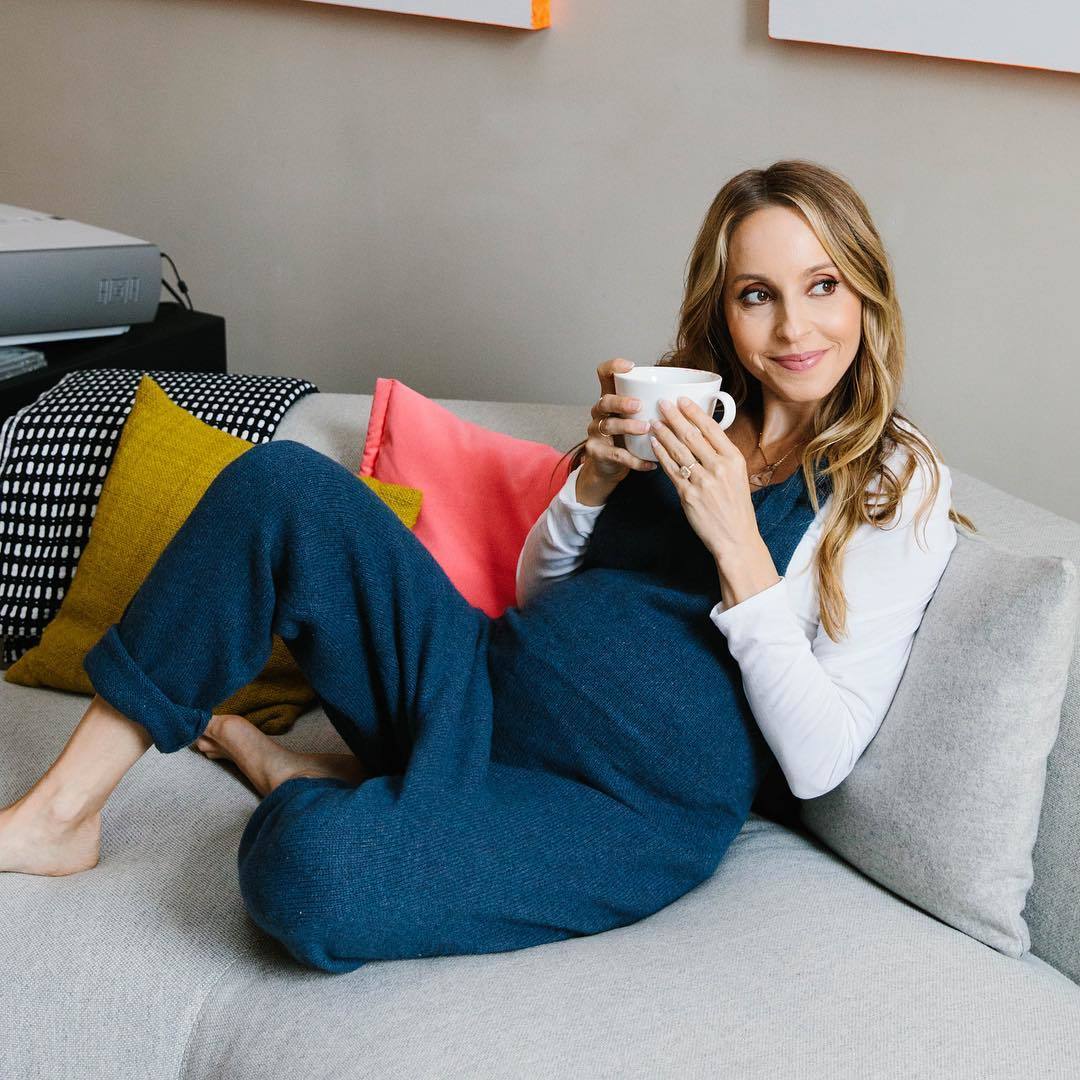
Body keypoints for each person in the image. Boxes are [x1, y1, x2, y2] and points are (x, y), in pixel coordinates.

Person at [0, 159, 973, 975]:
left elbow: (820, 759)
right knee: (280, 484)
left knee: (308, 879)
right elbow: (533, 595)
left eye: (822, 285)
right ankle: (61, 814)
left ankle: (300, 772)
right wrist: (592, 484)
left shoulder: (897, 481)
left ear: (865, 288)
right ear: (724, 308)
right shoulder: (696, 409)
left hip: (615, 807)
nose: (795, 329)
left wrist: (738, 547)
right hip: (480, 682)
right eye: (759, 294)